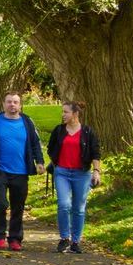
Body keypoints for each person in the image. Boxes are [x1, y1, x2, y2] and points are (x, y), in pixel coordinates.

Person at [0, 91, 45, 251]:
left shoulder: (27, 122)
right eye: (9, 102)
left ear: (20, 105)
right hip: (0, 169)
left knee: (18, 206)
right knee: (0, 203)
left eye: (15, 102)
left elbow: (35, 144)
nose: (12, 105)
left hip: (21, 171)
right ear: (3, 104)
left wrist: (39, 162)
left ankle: (15, 239)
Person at [45, 100, 102, 254]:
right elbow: (51, 149)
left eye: (66, 112)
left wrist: (96, 171)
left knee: (79, 208)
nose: (63, 115)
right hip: (62, 172)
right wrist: (55, 162)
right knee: (64, 205)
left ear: (75, 114)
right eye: (62, 112)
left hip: (81, 174)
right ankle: (64, 238)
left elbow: (96, 152)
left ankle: (76, 241)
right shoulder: (59, 130)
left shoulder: (88, 132)